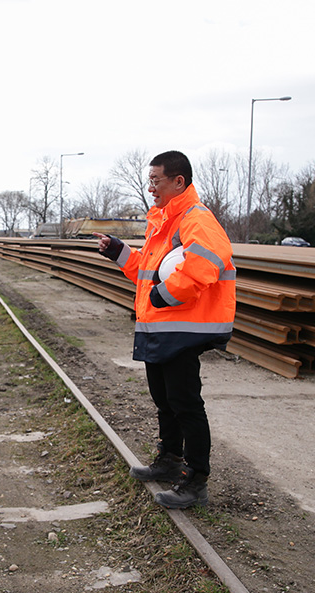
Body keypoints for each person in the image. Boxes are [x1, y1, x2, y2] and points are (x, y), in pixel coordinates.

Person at [93, 151, 235, 509]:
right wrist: (118, 252)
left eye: (156, 180)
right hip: (160, 327)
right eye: (150, 180)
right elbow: (148, 268)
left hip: (183, 328)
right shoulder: (164, 223)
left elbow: (207, 265)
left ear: (178, 182)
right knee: (165, 402)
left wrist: (164, 295)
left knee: (186, 404)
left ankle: (196, 481)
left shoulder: (195, 218)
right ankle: (170, 460)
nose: (151, 187)